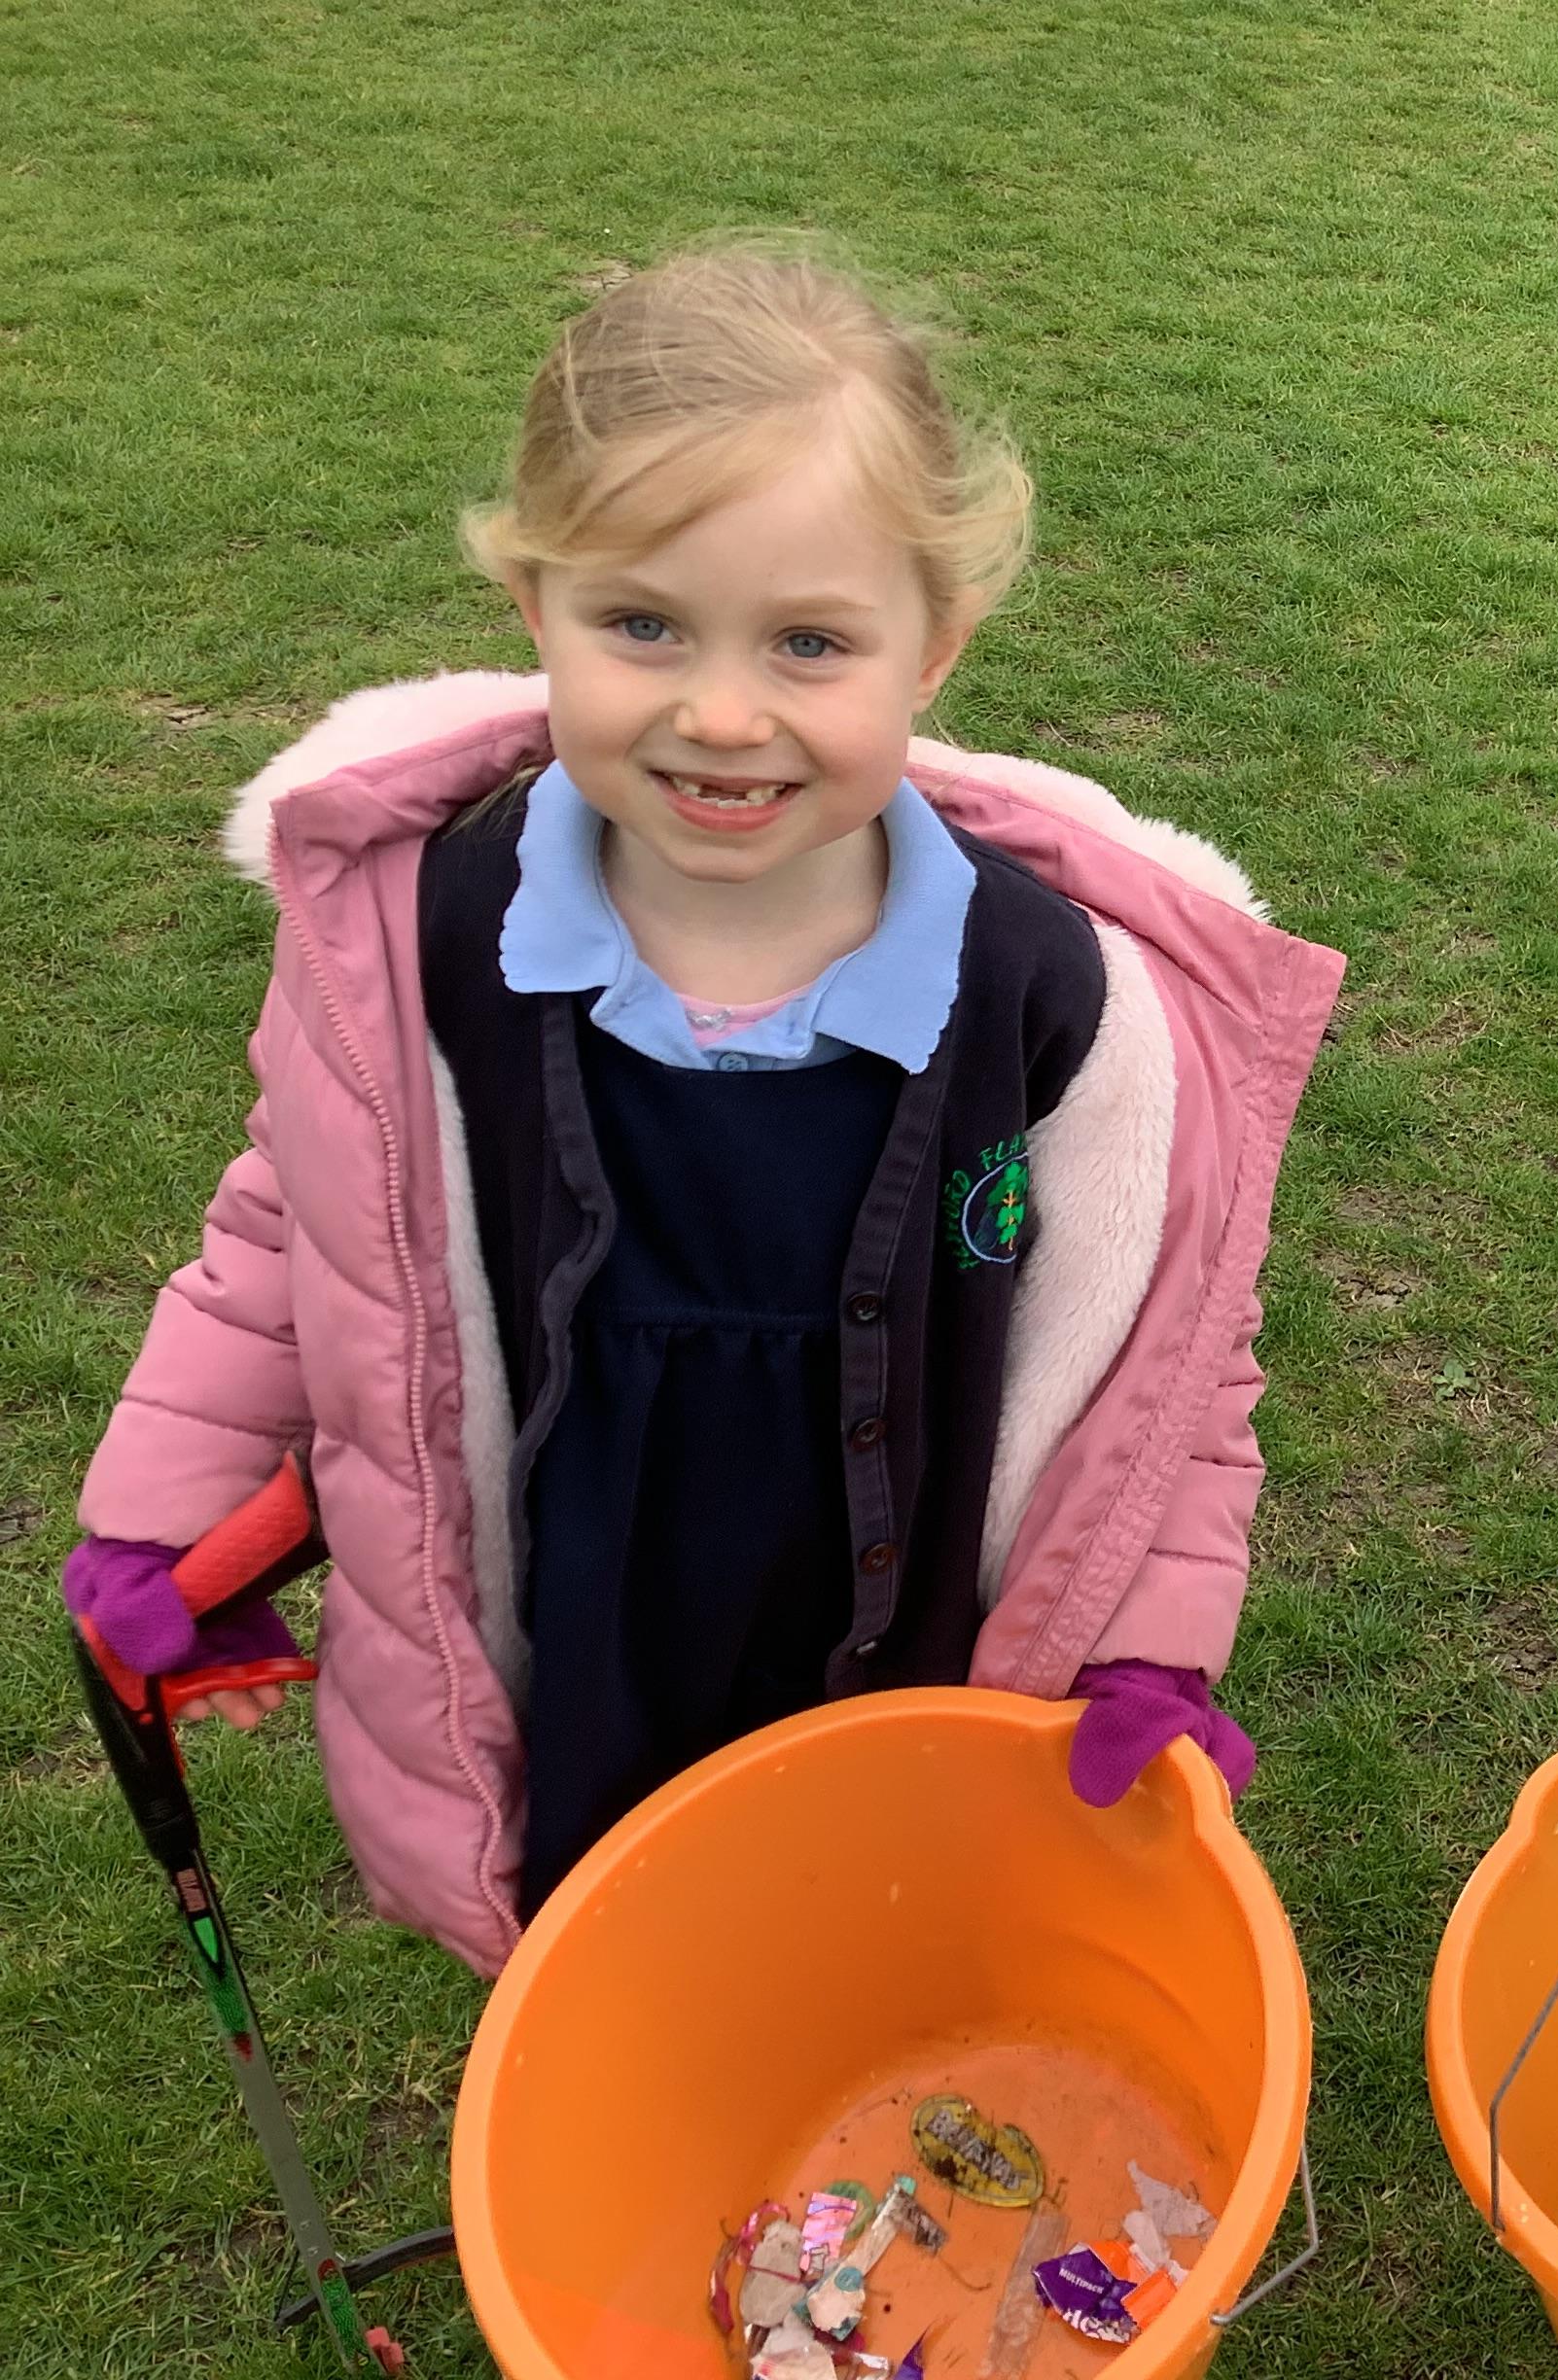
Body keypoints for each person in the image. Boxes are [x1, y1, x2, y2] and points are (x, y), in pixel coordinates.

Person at [59, 243, 1343, 1974]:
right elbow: (293, 1234)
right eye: (643, 624)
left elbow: (1170, 1360)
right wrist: (166, 1519)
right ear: (536, 605)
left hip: (898, 1634)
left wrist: (1143, 1642)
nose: (722, 712)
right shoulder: (425, 944)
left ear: (934, 648)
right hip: (590, 1622)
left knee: (885, 1953)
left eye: (809, 642)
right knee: (628, 1967)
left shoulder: (1058, 996)